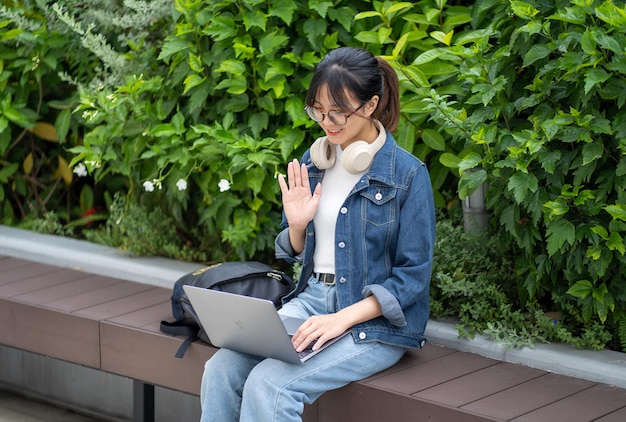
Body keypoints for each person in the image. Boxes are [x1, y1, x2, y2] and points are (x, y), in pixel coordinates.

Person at [199, 46, 436, 422]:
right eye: (318, 111)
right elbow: (292, 251)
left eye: (338, 112)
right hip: (309, 304)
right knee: (221, 369)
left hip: (371, 324)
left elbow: (413, 278)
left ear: (371, 105)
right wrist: (296, 225)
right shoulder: (315, 162)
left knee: (271, 386)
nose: (327, 122)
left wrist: (341, 319)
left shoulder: (407, 175)